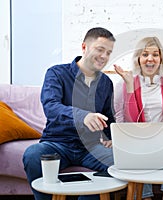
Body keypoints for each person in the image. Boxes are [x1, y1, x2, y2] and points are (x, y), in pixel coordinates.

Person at [22, 27, 116, 200]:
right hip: (57, 143)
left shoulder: (105, 83)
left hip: (91, 146)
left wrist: (111, 137)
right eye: (100, 49)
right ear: (84, 47)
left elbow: (108, 115)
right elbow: (51, 106)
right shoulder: (56, 73)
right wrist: (83, 116)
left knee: (119, 161)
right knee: (33, 155)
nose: (104, 56)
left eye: (108, 52)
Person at [114, 36, 163, 200]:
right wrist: (129, 87)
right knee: (139, 147)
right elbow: (131, 121)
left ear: (161, 58)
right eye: (145, 54)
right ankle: (145, 196)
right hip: (138, 137)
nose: (150, 59)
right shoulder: (125, 82)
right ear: (138, 59)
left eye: (155, 54)